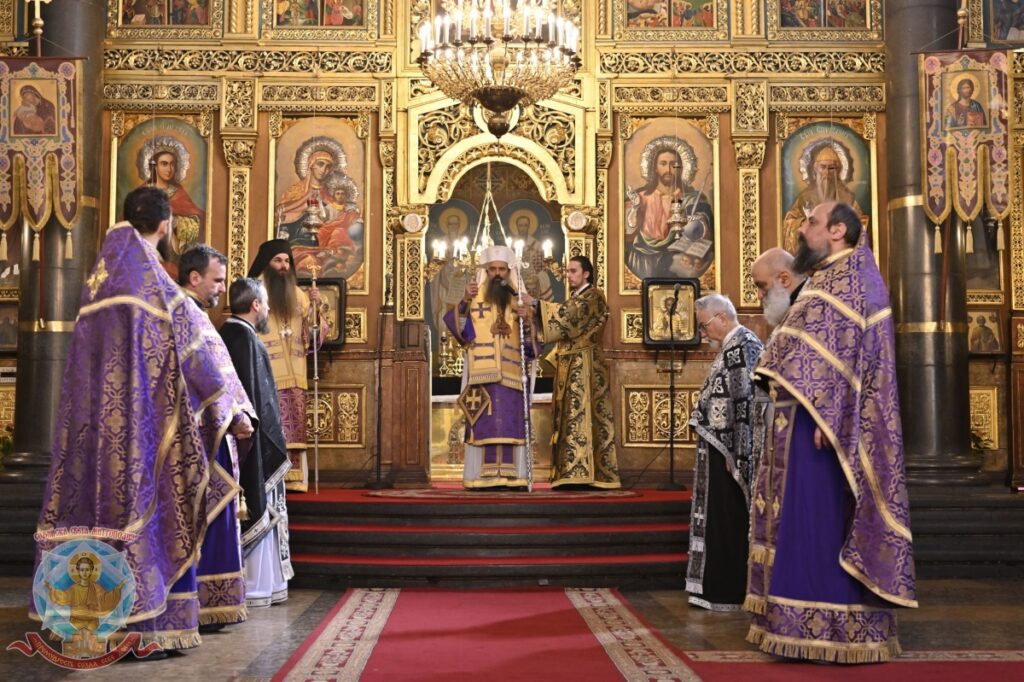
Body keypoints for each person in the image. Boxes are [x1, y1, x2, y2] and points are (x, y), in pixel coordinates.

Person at [35, 186, 255, 653]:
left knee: (93, 509)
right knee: (152, 511)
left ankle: (87, 621)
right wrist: (228, 407)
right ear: (165, 225)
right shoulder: (155, 283)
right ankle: (147, 626)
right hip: (143, 427)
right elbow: (196, 353)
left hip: (92, 430)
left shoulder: (100, 281)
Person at [746, 202, 917, 663]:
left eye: (812, 223)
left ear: (838, 230)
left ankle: (834, 626)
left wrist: (837, 416)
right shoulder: (827, 276)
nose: (802, 230)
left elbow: (863, 363)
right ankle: (794, 620)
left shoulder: (857, 279)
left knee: (821, 522)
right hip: (806, 420)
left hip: (827, 429)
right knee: (799, 522)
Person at [178, 244, 248, 631]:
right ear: (195, 277)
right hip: (206, 431)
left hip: (216, 426)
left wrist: (239, 413)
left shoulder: (199, 316)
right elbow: (206, 377)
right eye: (217, 280)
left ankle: (212, 602)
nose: (222, 288)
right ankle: (205, 604)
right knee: (210, 515)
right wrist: (234, 416)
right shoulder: (188, 314)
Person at [220, 278, 294, 607]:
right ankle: (256, 587)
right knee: (256, 503)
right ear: (255, 305)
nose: (266, 309)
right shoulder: (240, 335)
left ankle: (268, 585)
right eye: (264, 303)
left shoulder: (241, 334)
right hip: (251, 441)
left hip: (255, 437)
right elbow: (252, 398)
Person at [686, 294, 763, 611]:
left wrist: (738, 454)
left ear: (721, 317)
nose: (703, 333)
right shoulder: (732, 346)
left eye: (704, 326)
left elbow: (744, 403)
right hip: (718, 447)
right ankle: (711, 588)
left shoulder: (744, 345)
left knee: (728, 517)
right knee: (716, 517)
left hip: (731, 451)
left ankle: (726, 589)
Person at [519, 256, 620, 489]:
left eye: (573, 271)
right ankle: (570, 471)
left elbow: (569, 315)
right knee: (569, 417)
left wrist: (535, 304)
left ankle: (585, 473)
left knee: (582, 414)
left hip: (585, 366)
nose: (569, 275)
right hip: (571, 363)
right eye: (568, 271)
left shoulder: (593, 296)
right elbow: (563, 322)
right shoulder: (576, 297)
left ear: (586, 274)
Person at [444, 245, 536, 489]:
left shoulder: (519, 300)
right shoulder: (473, 299)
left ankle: (513, 477)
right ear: (486, 270)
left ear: (509, 271)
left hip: (513, 376)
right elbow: (459, 331)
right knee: (482, 425)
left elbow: (534, 345)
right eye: (492, 269)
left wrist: (529, 318)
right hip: (481, 377)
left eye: (502, 269)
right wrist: (464, 300)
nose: (497, 274)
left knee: (511, 425)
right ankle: (480, 477)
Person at [248, 239, 326, 493]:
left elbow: (313, 332)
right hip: (266, 373)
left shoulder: (298, 294)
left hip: (295, 373)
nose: (283, 266)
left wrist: (316, 306)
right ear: (266, 263)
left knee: (294, 426)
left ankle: (294, 480)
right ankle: (270, 478)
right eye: (277, 260)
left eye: (286, 261)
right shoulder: (254, 291)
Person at [625, 137, 713, 279]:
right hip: (643, 261)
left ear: (681, 168)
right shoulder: (640, 197)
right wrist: (635, 209)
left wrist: (698, 222)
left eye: (674, 165)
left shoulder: (691, 199)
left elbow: (704, 231)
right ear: (654, 167)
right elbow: (628, 232)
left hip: (675, 262)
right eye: (663, 164)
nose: (668, 169)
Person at [274, 136, 362, 279]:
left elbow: (338, 217)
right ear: (310, 164)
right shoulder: (294, 192)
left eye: (328, 167)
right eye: (320, 164)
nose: (324, 170)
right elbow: (282, 216)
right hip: (299, 240)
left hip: (324, 243)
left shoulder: (332, 194)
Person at [781, 143, 868, 253]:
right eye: (823, 167)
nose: (827, 173)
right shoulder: (805, 198)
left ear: (838, 171)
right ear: (815, 170)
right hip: (813, 253)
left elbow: (860, 225)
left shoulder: (847, 198)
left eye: (832, 168)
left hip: (839, 253)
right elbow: (789, 223)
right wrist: (806, 223)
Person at [137, 139, 206, 272]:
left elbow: (198, 218)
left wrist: (176, 222)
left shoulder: (179, 192)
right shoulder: (143, 192)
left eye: (172, 164)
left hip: (172, 259)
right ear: (154, 166)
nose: (169, 169)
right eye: (164, 164)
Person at [750, 247, 806, 329]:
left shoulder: (809, 311)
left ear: (784, 280)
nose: (759, 296)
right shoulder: (791, 312)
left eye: (762, 285)